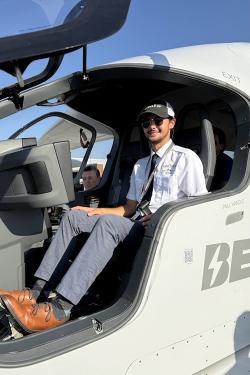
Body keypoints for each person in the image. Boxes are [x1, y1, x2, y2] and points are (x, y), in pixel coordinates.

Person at [0, 101, 208, 333]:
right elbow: (128, 208)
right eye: (146, 122)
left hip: (159, 229)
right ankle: (34, 293)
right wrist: (94, 211)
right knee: (72, 218)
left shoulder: (186, 158)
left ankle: (60, 308)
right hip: (134, 224)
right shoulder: (141, 165)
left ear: (171, 123)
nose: (152, 126)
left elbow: (198, 203)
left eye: (158, 121)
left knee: (109, 224)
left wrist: (163, 214)